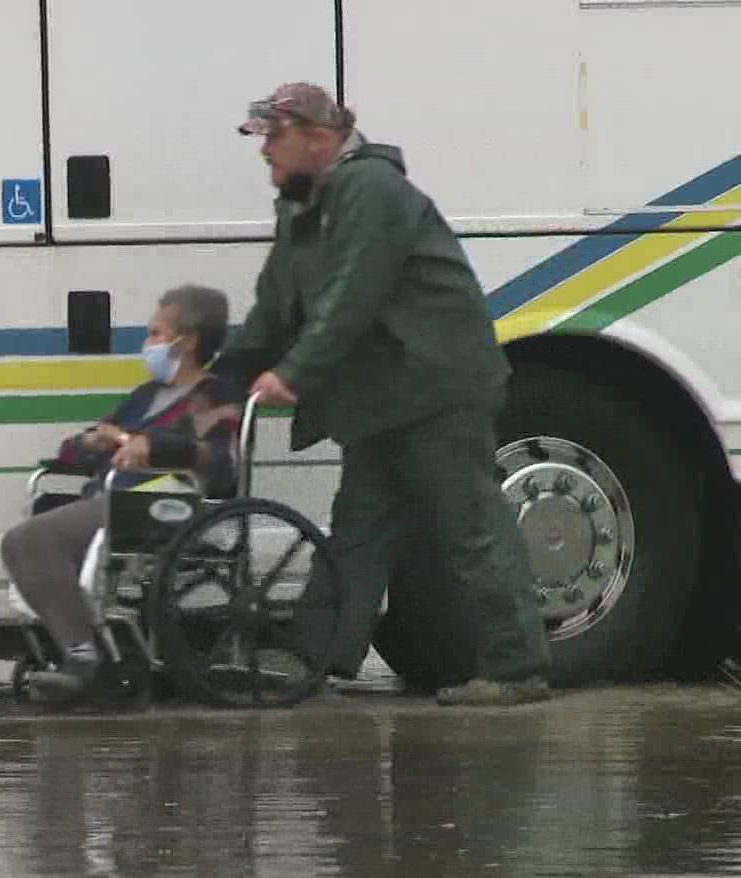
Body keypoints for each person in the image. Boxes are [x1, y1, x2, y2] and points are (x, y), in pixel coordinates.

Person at [213, 82, 551, 707]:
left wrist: (296, 371)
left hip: (434, 385)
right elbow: (274, 304)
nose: (264, 152)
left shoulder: (372, 191)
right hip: (379, 400)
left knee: (471, 525)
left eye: (274, 137)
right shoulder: (302, 205)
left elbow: (353, 294)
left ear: (319, 138)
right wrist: (223, 380)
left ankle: (516, 666)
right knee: (358, 533)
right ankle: (312, 661)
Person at [2, 285, 244, 705]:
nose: (147, 344)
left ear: (186, 341)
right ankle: (83, 649)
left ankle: (83, 657)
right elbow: (75, 447)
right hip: (115, 501)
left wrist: (153, 446)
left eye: (155, 333)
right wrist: (94, 441)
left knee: (32, 541)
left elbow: (220, 461)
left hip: (162, 505)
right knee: (26, 541)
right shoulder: (145, 396)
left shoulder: (213, 396)